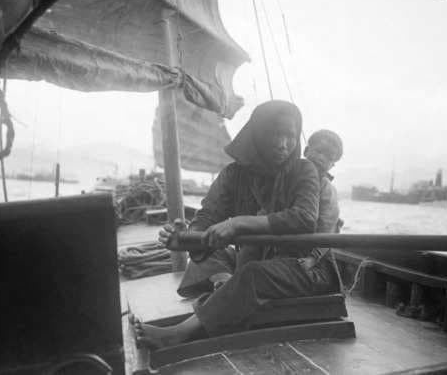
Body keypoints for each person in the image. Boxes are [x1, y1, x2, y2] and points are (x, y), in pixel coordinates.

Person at [135, 100, 338, 349]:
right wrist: (186, 239)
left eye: (290, 136)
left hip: (306, 270)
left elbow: (304, 218)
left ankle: (179, 333)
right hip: (257, 260)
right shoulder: (233, 175)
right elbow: (207, 217)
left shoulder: (303, 170)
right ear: (257, 134)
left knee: (251, 275)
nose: (283, 144)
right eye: (275, 134)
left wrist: (239, 223)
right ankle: (229, 291)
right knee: (219, 255)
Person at [300, 129, 344, 274]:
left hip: (315, 263)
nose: (322, 158)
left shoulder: (328, 191)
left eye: (329, 157)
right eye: (319, 151)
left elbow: (328, 229)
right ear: (306, 151)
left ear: (332, 165)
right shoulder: (291, 179)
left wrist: (312, 259)